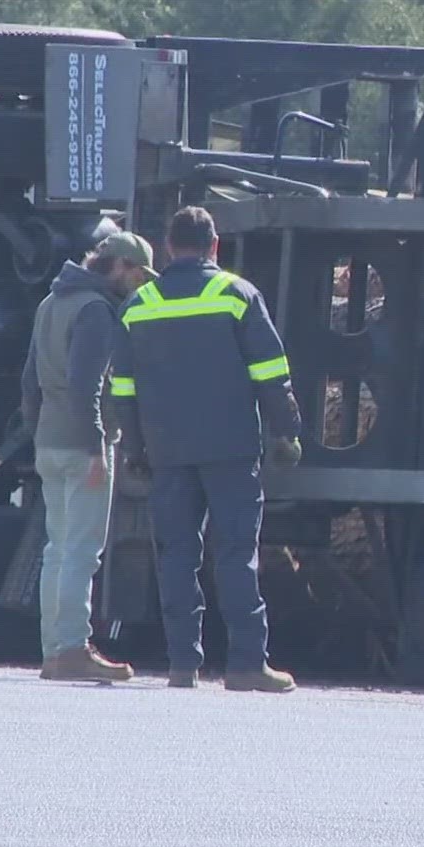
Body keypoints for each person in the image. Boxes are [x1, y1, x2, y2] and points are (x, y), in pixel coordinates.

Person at [109, 206, 304, 692]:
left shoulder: (138, 305)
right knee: (236, 555)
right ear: (214, 246)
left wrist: (134, 448)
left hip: (168, 453)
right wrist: (287, 432)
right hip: (230, 449)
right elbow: (269, 373)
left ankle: (182, 664)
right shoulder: (236, 295)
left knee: (177, 554)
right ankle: (245, 665)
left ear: (169, 246)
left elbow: (123, 389)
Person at [20, 226, 156, 683]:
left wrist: (37, 430)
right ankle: (74, 648)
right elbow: (87, 387)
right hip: (84, 447)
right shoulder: (97, 310)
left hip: (49, 442)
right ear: (118, 265)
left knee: (58, 549)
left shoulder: (50, 303)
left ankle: (54, 649)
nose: (139, 285)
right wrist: (99, 445)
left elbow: (29, 384)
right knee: (82, 551)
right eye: (138, 274)